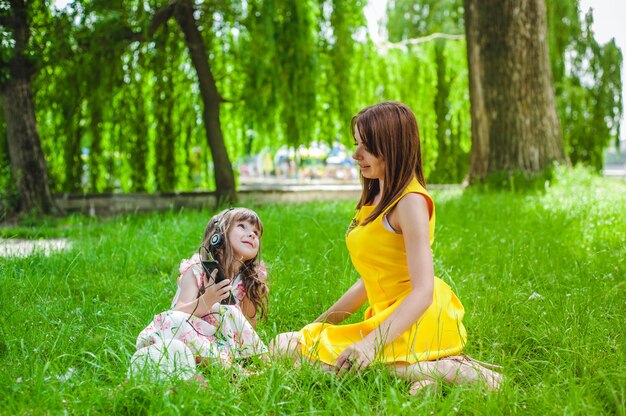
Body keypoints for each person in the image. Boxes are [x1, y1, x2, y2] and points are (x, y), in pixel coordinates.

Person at [270, 101, 502, 393]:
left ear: (392, 146)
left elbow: (423, 290)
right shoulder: (378, 195)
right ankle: (421, 377)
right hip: (387, 319)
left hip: (414, 318)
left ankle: (444, 369)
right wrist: (317, 326)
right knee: (289, 350)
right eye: (356, 144)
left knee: (288, 351)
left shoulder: (410, 202)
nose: (355, 155)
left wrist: (369, 346)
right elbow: (371, 280)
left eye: (365, 146)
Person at [129, 208, 269, 380]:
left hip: (222, 345)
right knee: (172, 319)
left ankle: (266, 366)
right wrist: (206, 301)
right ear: (218, 235)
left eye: (256, 232)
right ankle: (234, 372)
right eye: (242, 226)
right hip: (187, 336)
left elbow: (248, 330)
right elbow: (178, 311)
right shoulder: (196, 269)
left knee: (230, 310)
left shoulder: (248, 280)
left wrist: (250, 292)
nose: (252, 234)